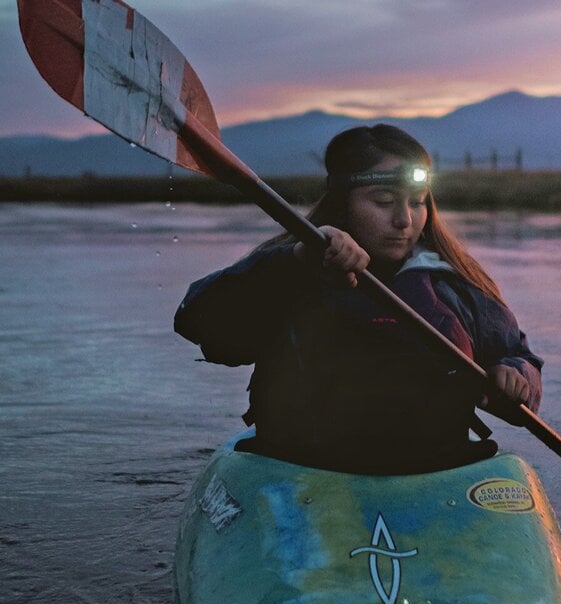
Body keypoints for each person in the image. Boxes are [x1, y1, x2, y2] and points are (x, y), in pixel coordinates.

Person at [174, 124, 542, 474]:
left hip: (435, 473)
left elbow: (520, 360)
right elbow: (198, 322)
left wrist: (515, 376)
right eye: (383, 202)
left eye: (417, 203)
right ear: (342, 203)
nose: (405, 220)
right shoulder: (290, 268)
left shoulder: (457, 285)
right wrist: (296, 261)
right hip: (298, 470)